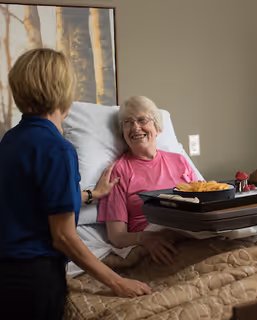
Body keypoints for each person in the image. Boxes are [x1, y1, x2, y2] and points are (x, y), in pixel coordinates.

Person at [0, 48, 151, 320]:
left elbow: (35, 198)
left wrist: (93, 194)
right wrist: (117, 282)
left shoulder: (10, 140)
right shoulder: (58, 149)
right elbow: (64, 236)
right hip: (35, 279)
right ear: (63, 92)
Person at [98, 96, 197, 265]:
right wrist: (144, 238)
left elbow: (202, 204)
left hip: (191, 235)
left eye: (142, 120)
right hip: (155, 244)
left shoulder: (179, 161)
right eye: (128, 122)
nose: (135, 127)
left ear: (157, 127)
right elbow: (117, 236)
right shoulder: (119, 171)